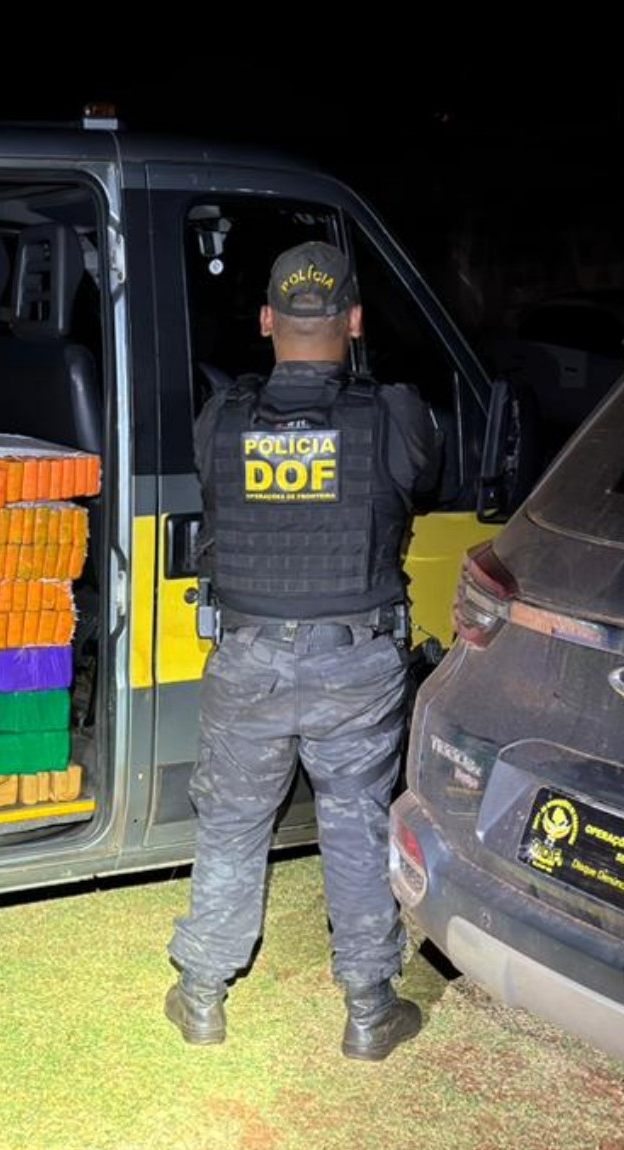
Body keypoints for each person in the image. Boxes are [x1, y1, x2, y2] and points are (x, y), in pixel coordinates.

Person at [165, 240, 438, 1061]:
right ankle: (366, 1011)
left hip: (247, 658)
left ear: (264, 322)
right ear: (353, 321)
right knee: (355, 826)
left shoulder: (221, 418)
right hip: (355, 662)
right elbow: (419, 480)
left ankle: (203, 995)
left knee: (232, 826)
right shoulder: (394, 413)